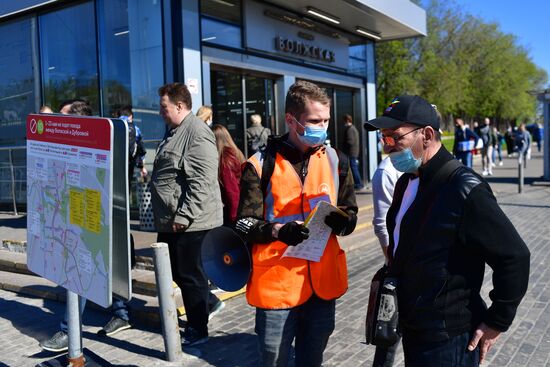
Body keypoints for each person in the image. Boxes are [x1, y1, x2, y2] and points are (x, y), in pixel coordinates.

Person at [364, 95, 530, 366]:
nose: (387, 147)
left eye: (395, 137)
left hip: (449, 338)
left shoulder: (464, 188)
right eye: (383, 138)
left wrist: (497, 320)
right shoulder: (407, 181)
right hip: (416, 327)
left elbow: (514, 256)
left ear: (426, 135)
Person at [235, 81, 358, 366]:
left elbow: (350, 210)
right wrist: (278, 231)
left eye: (326, 119)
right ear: (291, 120)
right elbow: (242, 223)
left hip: (322, 283)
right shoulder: (259, 165)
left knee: (312, 359)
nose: (323, 126)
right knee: (274, 359)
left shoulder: (336, 160)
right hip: (278, 284)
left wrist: (344, 221)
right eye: (315, 120)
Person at [39, 100, 133, 353]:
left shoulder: (97, 143)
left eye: (63, 116)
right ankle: (120, 313)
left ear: (78, 122)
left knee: (80, 274)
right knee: (97, 269)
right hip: (82, 220)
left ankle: (70, 332)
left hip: (94, 221)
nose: (59, 120)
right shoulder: (67, 146)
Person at [151, 82, 224, 347]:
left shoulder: (196, 132)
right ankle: (209, 302)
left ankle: (198, 328)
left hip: (190, 222)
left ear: (179, 106)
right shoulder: (174, 130)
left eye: (164, 107)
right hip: (172, 221)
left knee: (190, 275)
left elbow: (203, 181)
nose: (161, 112)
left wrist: (184, 216)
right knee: (174, 272)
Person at [370, 155, 402, 367]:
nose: (388, 143)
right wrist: (393, 266)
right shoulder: (387, 172)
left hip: (432, 271)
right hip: (398, 269)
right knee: (388, 336)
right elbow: (382, 225)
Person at [211, 124, 245, 225]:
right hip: (238, 208)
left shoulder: (225, 158)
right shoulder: (235, 152)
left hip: (233, 213)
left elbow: (231, 190)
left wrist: (234, 218)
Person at [342, 114, 363, 190]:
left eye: (344, 121)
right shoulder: (353, 128)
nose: (343, 123)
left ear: (347, 120)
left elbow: (350, 141)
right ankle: (358, 183)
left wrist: (344, 145)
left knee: (354, 168)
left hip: (351, 152)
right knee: (354, 168)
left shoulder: (350, 129)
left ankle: (358, 183)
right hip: (353, 152)